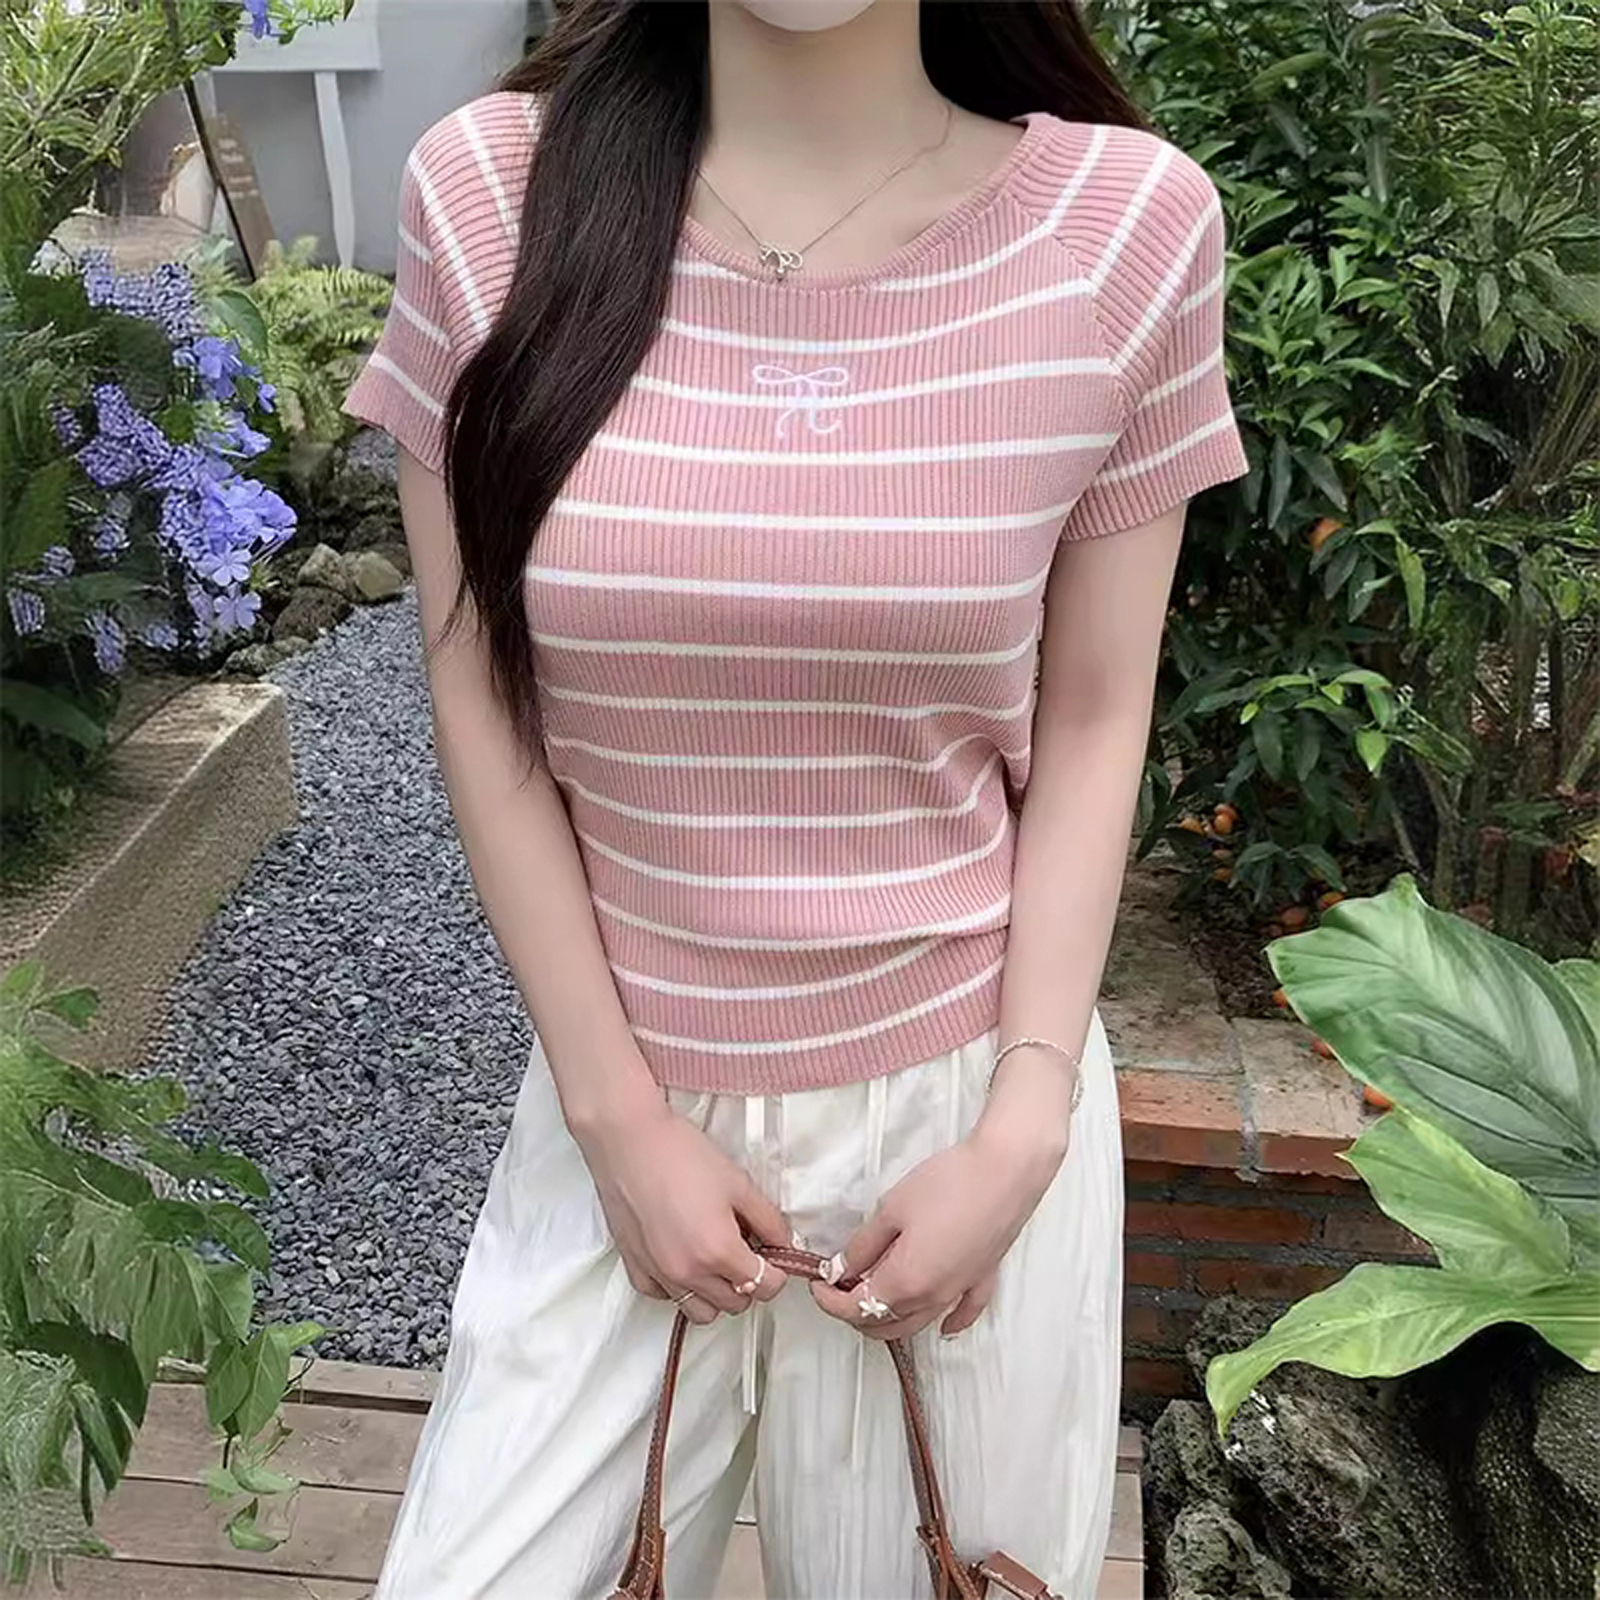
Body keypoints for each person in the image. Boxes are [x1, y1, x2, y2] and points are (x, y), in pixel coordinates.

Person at [343, 1, 1247, 1595]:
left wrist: (1021, 1131)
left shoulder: (1127, 225)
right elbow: (479, 694)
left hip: (961, 1124)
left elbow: (1099, 712)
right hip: (622, 1099)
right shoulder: (487, 196)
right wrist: (619, 1121)